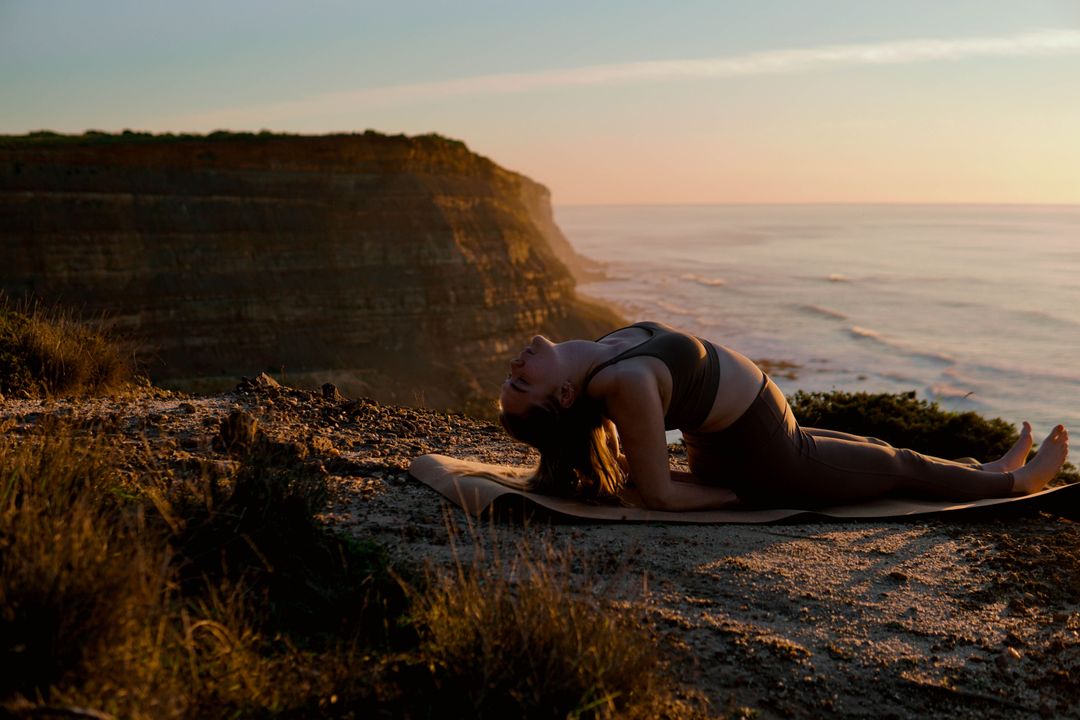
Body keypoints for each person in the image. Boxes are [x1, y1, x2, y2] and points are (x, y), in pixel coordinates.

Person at [498, 320, 1070, 511]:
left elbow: (634, 457)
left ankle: (984, 465)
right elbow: (657, 493)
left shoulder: (602, 351)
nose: (517, 365)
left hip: (765, 435)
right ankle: (1015, 483)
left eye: (512, 378)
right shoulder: (620, 382)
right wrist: (743, 497)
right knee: (896, 463)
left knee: (876, 448)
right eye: (523, 383)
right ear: (565, 398)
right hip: (767, 459)